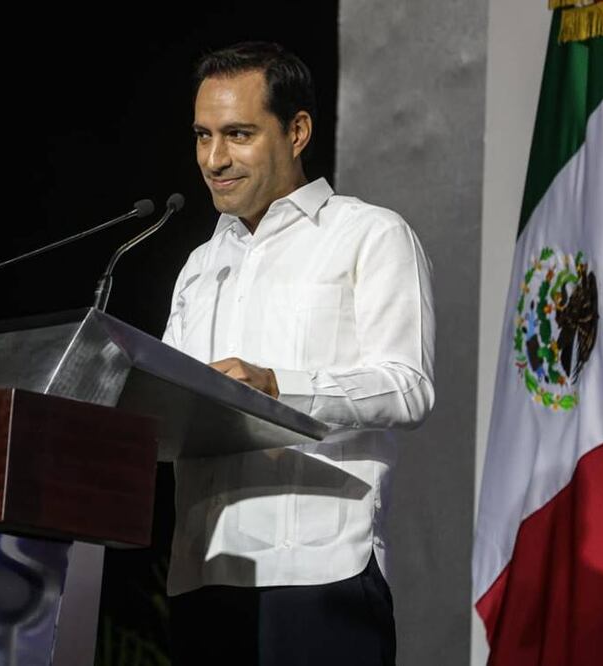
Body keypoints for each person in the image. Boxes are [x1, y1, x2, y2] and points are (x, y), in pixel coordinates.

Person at [161, 41, 435, 665]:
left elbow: (407, 385)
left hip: (319, 573)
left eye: (238, 134)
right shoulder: (200, 267)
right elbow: (168, 407)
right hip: (205, 574)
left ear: (298, 130)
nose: (214, 159)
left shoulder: (369, 234)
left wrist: (277, 387)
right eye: (202, 136)